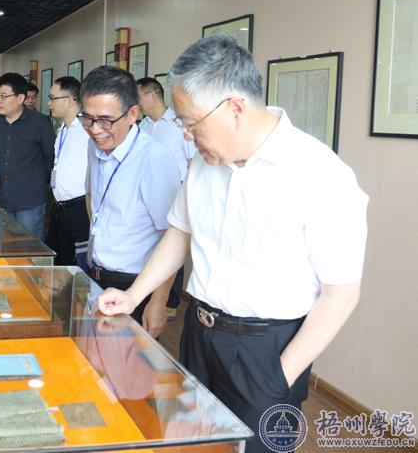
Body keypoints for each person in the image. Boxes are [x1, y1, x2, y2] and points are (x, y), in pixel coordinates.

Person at [97, 34, 368, 453]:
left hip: (268, 350)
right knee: (191, 444)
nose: (187, 135)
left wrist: (279, 377)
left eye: (191, 122)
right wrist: (134, 294)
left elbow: (341, 294)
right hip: (199, 335)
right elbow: (179, 232)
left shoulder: (320, 174)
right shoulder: (204, 165)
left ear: (235, 108)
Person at [81, 65, 181, 337]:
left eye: (105, 120)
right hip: (96, 275)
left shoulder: (154, 158)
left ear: (132, 114)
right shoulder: (94, 145)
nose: (95, 129)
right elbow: (93, 197)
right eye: (87, 119)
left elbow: (172, 235)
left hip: (136, 285)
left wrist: (158, 302)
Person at [137, 76, 195, 319]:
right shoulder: (142, 126)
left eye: (138, 96)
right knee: (153, 243)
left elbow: (192, 161)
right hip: (147, 192)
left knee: (173, 240)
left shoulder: (177, 124)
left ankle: (170, 300)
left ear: (153, 94)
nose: (136, 102)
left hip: (175, 192)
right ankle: (149, 293)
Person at [0, 73, 55, 239]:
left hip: (29, 202)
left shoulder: (39, 123)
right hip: (1, 200)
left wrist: (42, 187)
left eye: (3, 96)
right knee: (3, 246)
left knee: (28, 247)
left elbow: (52, 158)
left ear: (20, 98)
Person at [45, 76, 90, 265]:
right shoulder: (63, 128)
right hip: (60, 207)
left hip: (80, 207)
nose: (49, 103)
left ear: (70, 100)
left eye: (52, 98)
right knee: (61, 262)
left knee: (80, 263)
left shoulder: (87, 129)